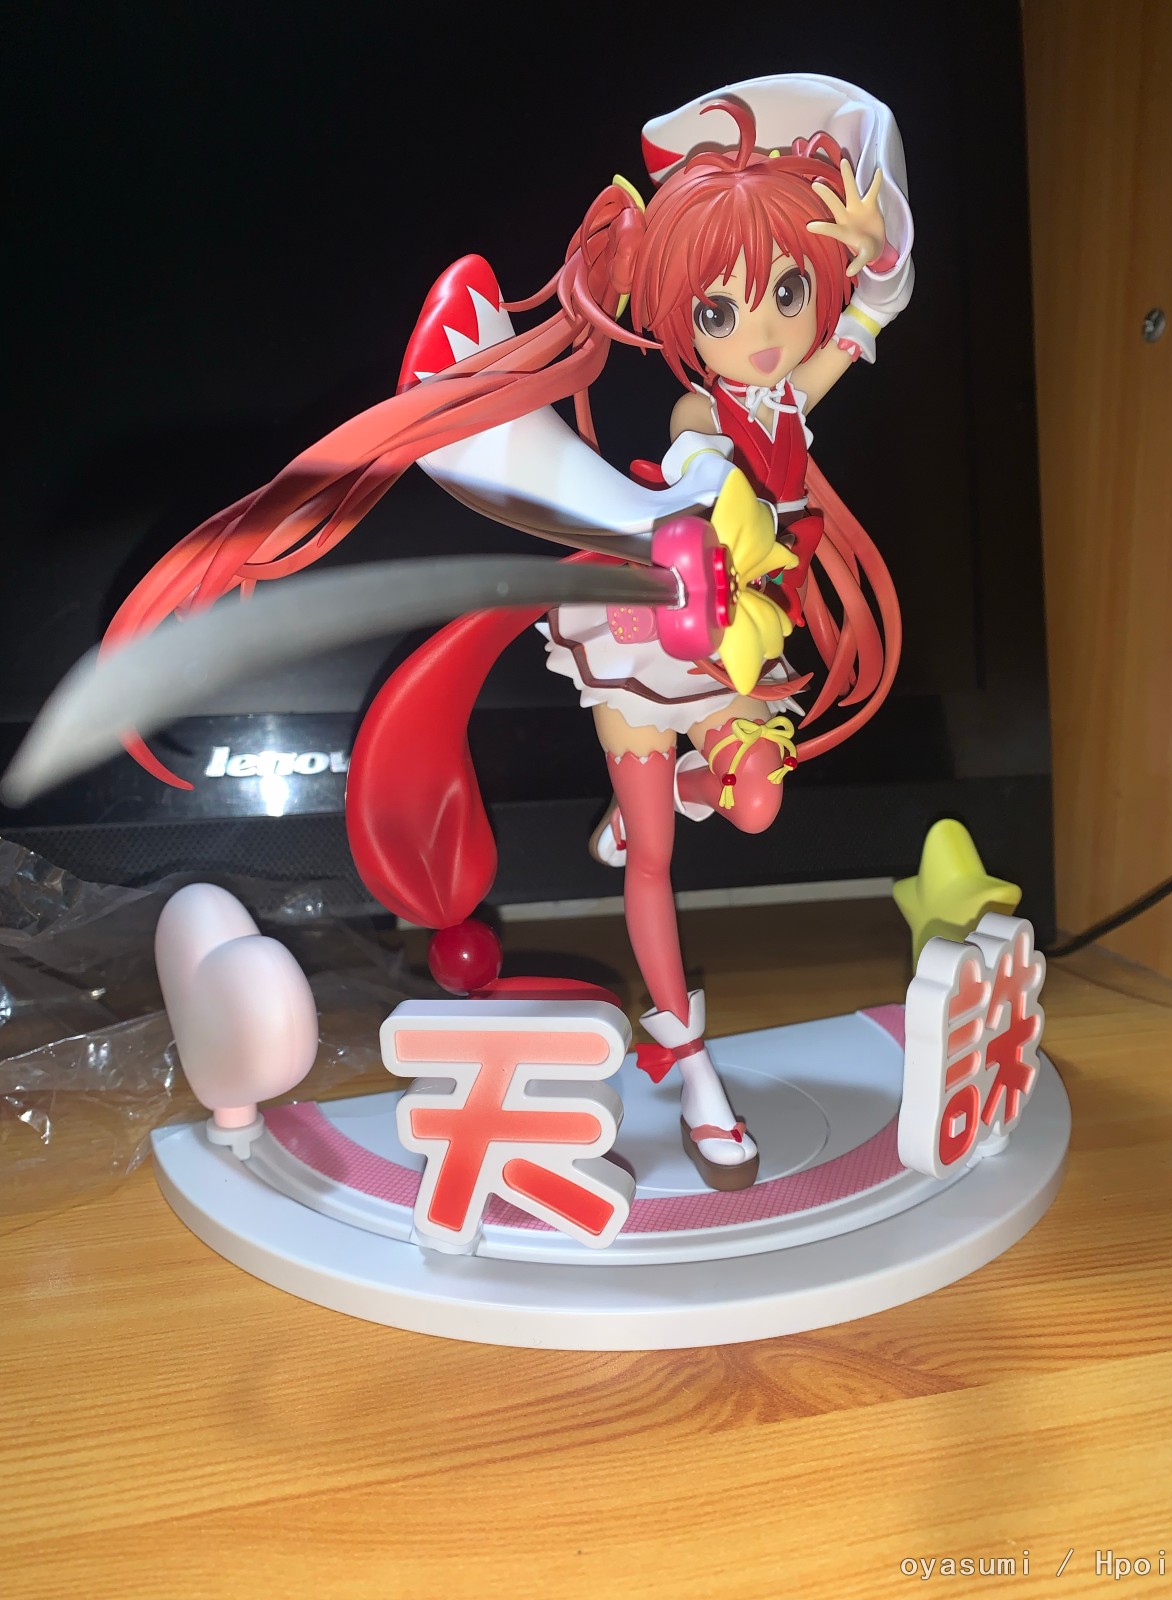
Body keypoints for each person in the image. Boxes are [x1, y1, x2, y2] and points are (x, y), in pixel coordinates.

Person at [107, 75, 913, 1190]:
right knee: (655, 865)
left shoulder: (784, 403)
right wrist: (674, 528)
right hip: (649, 643)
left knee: (758, 803)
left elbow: (874, 309)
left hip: (733, 639)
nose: (763, 337)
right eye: (720, 313)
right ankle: (691, 1065)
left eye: (785, 293)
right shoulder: (703, 417)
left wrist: (874, 242)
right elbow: (687, 487)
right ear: (682, 320)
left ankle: (671, 795)